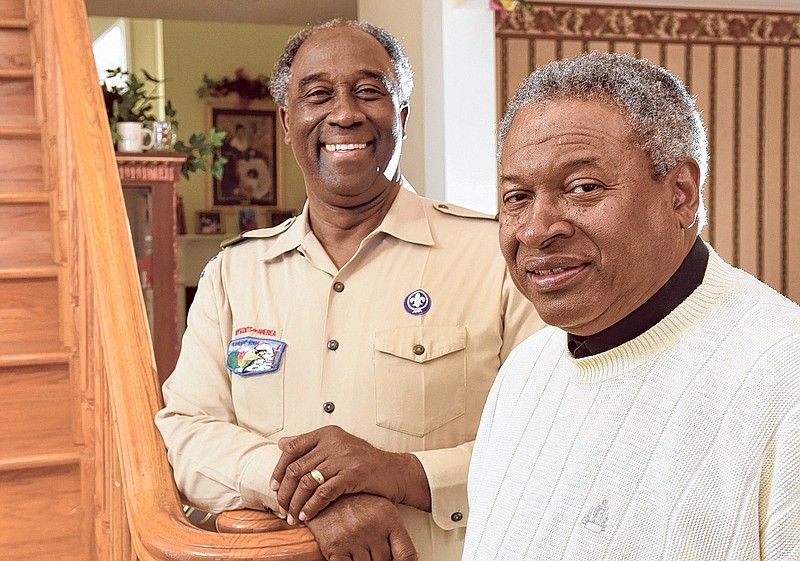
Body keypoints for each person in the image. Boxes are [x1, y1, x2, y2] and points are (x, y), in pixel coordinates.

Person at [155, 19, 543, 561]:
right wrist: (316, 493)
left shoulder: (496, 258)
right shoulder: (234, 273)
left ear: (401, 116)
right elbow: (186, 434)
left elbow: (551, 437)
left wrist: (403, 475)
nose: (345, 113)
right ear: (289, 123)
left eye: (368, 91)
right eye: (318, 95)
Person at [462, 51, 800, 560]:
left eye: (583, 188)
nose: (535, 229)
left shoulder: (782, 377)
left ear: (682, 195)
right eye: (516, 197)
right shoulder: (523, 373)